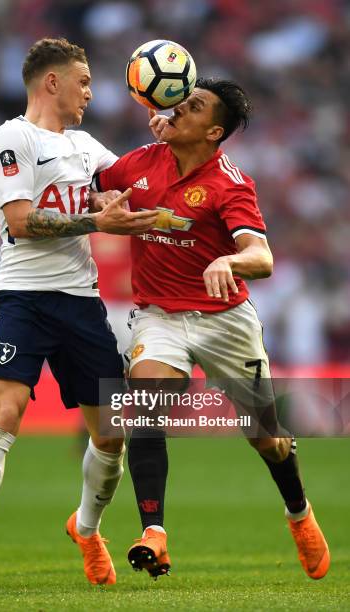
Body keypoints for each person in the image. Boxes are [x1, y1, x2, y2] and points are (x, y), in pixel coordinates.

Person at [94, 78, 330, 580]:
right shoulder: (139, 163)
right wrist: (103, 215)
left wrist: (231, 259)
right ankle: (153, 533)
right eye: (181, 100)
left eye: (194, 105)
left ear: (214, 130)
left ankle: (299, 514)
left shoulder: (230, 183)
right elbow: (92, 192)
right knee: (144, 402)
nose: (180, 107)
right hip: (159, 314)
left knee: (268, 439)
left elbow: (261, 256)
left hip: (226, 320)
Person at [0, 37, 158, 589]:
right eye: (83, 81)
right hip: (23, 298)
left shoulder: (88, 147)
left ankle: (87, 530)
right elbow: (20, 221)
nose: (91, 91)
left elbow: (136, 182)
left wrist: (167, 143)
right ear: (52, 82)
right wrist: (98, 222)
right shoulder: (12, 137)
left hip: (82, 305)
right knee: (5, 413)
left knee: (110, 435)